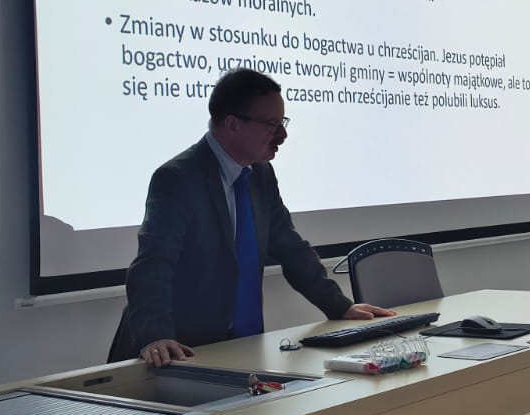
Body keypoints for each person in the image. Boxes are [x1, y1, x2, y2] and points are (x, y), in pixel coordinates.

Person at [109, 67, 393, 364]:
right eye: (272, 125)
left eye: (282, 123)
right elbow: (154, 262)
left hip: (241, 347)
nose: (282, 135)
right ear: (233, 124)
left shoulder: (260, 174)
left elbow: (290, 248)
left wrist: (341, 307)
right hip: (179, 352)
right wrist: (155, 335)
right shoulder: (178, 178)